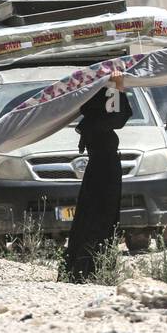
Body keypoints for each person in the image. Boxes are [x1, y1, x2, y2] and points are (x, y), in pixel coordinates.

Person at [63, 72, 132, 282]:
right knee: (101, 219)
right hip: (104, 172)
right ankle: (91, 268)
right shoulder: (98, 123)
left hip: (100, 171)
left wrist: (115, 86)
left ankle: (89, 267)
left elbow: (115, 114)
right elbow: (117, 118)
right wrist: (118, 86)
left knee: (95, 218)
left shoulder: (93, 122)